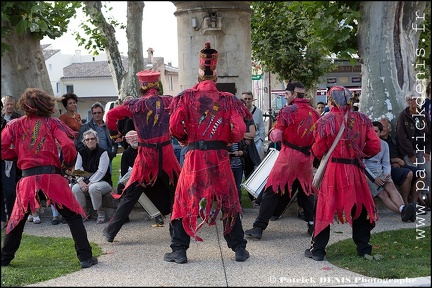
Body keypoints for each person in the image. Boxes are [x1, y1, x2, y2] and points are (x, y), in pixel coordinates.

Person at [166, 42, 251, 264]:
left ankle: (180, 250)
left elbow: (174, 126)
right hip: (220, 157)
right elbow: (240, 130)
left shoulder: (186, 97)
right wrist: (227, 140)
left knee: (183, 200)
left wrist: (185, 139)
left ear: (199, 74)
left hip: (194, 157)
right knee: (228, 201)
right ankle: (239, 248)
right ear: (215, 75)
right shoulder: (228, 99)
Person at [1, 88, 97, 268]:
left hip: (28, 178)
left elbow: (2, 147)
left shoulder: (14, 124)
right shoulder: (52, 123)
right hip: (52, 177)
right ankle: (85, 257)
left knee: (18, 219)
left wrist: (17, 156)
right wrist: (67, 164)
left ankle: (5, 258)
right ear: (45, 104)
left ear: (24, 104)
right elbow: (68, 145)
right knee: (73, 217)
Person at [305, 85, 381, 261]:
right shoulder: (363, 119)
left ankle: (318, 250)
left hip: (334, 170)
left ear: (330, 100)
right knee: (360, 209)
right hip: (355, 171)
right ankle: (364, 248)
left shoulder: (325, 121)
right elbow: (375, 146)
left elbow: (317, 149)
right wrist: (359, 153)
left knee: (324, 209)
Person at [103, 70, 181, 243]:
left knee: (132, 193)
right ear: (157, 85)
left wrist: (115, 135)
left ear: (142, 86)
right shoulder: (169, 101)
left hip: (147, 155)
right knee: (175, 192)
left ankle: (110, 231)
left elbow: (110, 116)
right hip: (167, 153)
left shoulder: (135, 105)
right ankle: (177, 235)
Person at [245, 81, 320, 239]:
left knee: (272, 190)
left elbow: (276, 136)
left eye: (287, 94)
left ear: (294, 94)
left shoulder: (288, 110)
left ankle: (259, 227)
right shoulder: (314, 113)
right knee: (306, 193)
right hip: (306, 158)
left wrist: (273, 131)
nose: (285, 97)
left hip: (289, 156)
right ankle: (313, 225)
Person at [364, 121, 416, 222]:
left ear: (380, 132)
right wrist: (374, 179)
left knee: (391, 187)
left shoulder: (384, 145)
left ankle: (404, 210)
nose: (373, 134)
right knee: (383, 194)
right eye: (371, 131)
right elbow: (362, 165)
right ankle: (403, 211)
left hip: (381, 171)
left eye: (376, 131)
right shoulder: (363, 144)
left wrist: (387, 174)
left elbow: (386, 163)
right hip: (368, 174)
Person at [116, 130, 164, 225]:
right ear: (128, 141)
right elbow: (124, 172)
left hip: (149, 178)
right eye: (131, 138)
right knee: (121, 188)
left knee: (150, 188)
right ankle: (123, 216)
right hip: (133, 178)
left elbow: (153, 167)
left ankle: (157, 215)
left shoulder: (146, 150)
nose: (134, 140)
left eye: (135, 137)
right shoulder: (126, 153)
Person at [379, 117, 425, 206]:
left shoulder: (394, 141)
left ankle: (414, 202)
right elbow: (378, 159)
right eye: (380, 127)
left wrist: (399, 161)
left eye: (384, 126)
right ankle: (405, 203)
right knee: (409, 174)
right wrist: (394, 160)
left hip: (399, 165)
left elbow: (401, 154)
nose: (382, 129)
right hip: (387, 168)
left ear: (389, 129)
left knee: (422, 173)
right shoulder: (378, 142)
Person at [396, 93, 431, 210]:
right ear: (407, 101)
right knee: (415, 174)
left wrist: (427, 151)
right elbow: (402, 137)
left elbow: (429, 134)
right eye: (409, 99)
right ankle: (416, 201)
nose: (412, 101)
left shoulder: (424, 115)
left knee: (428, 172)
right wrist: (411, 154)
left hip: (422, 150)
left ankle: (426, 197)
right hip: (408, 151)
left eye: (415, 99)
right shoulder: (403, 116)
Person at [72, 129, 113, 224]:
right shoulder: (81, 152)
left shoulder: (103, 153)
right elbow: (78, 169)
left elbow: (101, 171)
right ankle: (84, 212)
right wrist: (81, 182)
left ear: (96, 140)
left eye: (92, 139)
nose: (90, 141)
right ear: (84, 141)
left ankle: (100, 212)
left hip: (103, 181)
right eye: (87, 139)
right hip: (85, 180)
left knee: (93, 188)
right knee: (75, 188)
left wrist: (90, 183)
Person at [76, 102, 118, 172]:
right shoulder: (85, 127)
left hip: (107, 157)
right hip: (92, 159)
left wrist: (112, 153)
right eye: (94, 113)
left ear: (103, 113)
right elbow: (80, 145)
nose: (97, 115)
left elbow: (115, 141)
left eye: (99, 112)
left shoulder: (108, 126)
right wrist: (87, 156)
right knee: (93, 180)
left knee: (107, 180)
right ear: (92, 114)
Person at [1, 96, 21, 231]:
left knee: (10, 191)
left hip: (7, 161)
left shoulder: (8, 124)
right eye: (7, 104)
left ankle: (13, 217)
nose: (9, 106)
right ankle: (2, 219)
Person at [242, 91, 265, 160]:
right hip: (242, 143)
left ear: (252, 99)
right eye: (245, 99)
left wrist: (261, 140)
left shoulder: (258, 111)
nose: (247, 100)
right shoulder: (238, 111)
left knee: (257, 164)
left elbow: (261, 127)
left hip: (256, 142)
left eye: (249, 99)